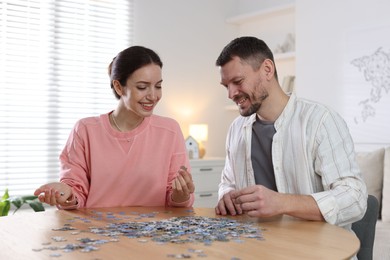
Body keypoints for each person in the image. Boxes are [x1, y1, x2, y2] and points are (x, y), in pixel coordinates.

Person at [214, 36, 367, 231]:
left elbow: (355, 198)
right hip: (258, 246)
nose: (231, 93)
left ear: (267, 70)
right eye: (226, 85)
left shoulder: (321, 121)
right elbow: (227, 184)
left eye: (237, 81)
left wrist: (281, 203)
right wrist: (226, 195)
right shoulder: (236, 129)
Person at [34, 46, 195, 209]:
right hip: (96, 232)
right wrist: (66, 193)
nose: (153, 96)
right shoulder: (85, 130)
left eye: (158, 86)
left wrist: (180, 196)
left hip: (154, 232)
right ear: (118, 87)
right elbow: (76, 192)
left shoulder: (170, 131)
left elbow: (175, 199)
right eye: (142, 87)